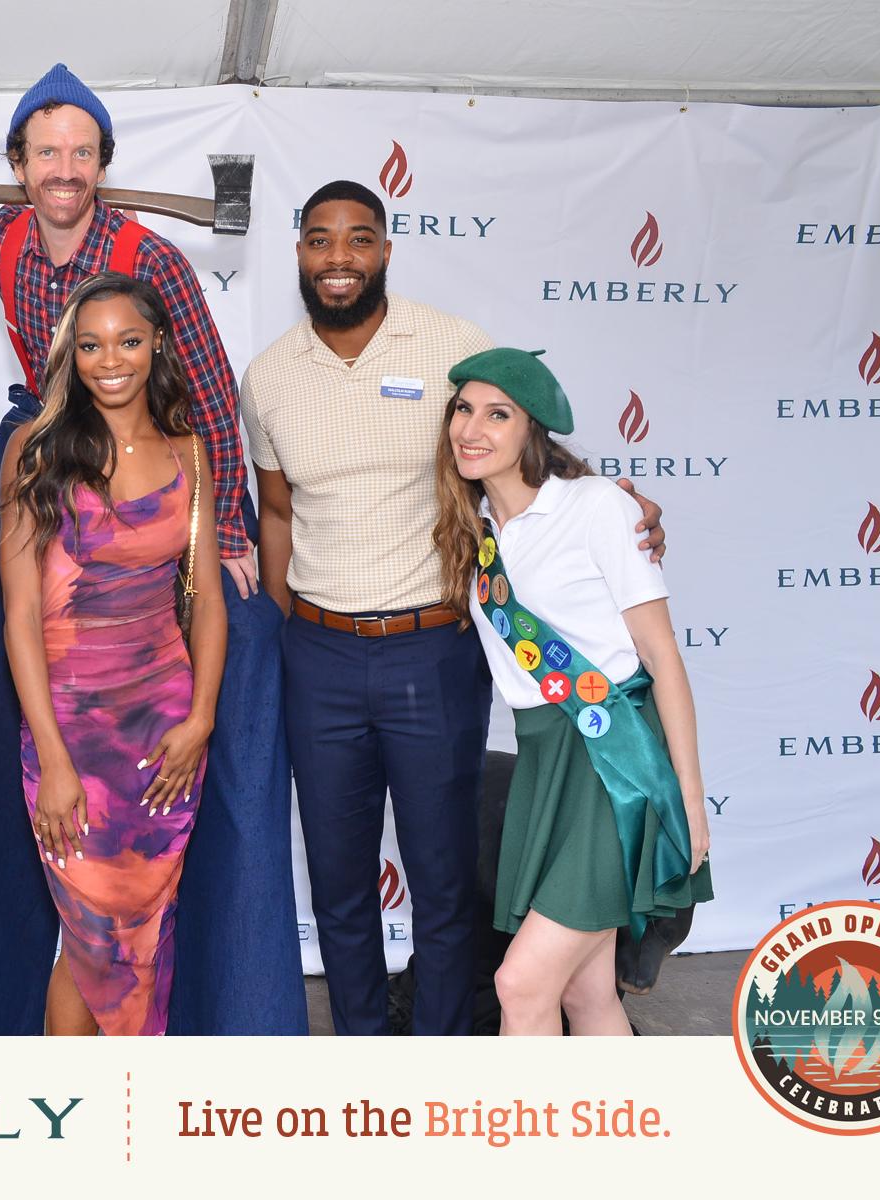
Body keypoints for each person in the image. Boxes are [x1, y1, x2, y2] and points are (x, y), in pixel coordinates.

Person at [0, 63, 304, 1035]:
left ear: (103, 166)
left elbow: (204, 392)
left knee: (235, 624)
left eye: (82, 153)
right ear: (21, 165)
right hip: (49, 447)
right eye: (48, 153)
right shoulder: (4, 242)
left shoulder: (151, 261)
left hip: (145, 464)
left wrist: (230, 534)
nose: (65, 169)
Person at [240, 180, 666, 1035]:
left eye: (359, 239)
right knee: (339, 887)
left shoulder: (450, 345)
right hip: (318, 654)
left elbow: (513, 446)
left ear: (387, 249)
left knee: (441, 883)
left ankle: (442, 1070)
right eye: (320, 241)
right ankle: (366, 1064)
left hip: (433, 652)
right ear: (298, 254)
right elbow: (278, 514)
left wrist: (615, 504)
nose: (339, 258)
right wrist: (293, 633)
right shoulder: (269, 377)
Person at [432, 347, 713, 1035]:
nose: (472, 428)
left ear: (533, 431)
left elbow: (661, 657)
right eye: (464, 409)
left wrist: (690, 801)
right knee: (586, 995)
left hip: (611, 770)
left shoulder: (595, 508)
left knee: (520, 983)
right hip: (545, 768)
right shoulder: (479, 535)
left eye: (498, 414)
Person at [0, 273, 228, 1036]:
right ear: (72, 352)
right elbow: (22, 616)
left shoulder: (190, 452)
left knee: (140, 930)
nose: (110, 360)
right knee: (91, 930)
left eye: (128, 341)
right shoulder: (34, 449)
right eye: (91, 345)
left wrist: (200, 721)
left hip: (162, 731)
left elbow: (205, 600)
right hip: (70, 733)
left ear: (157, 341)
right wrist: (55, 762)